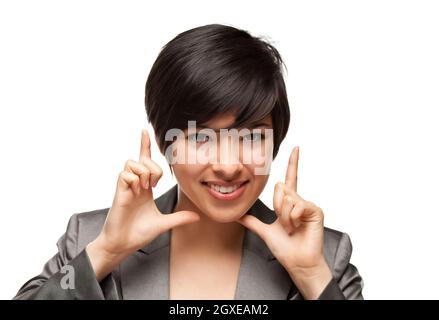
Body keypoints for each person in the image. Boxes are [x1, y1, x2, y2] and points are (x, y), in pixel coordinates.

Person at [13, 24, 363, 300]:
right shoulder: (89, 238)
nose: (228, 165)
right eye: (201, 138)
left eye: (252, 137)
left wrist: (312, 277)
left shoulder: (325, 256)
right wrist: (105, 252)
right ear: (167, 142)